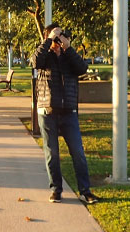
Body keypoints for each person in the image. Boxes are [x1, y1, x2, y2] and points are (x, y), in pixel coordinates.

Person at [31, 23, 100, 205]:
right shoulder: (44, 56)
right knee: (52, 154)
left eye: (61, 37)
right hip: (47, 111)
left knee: (78, 152)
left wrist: (68, 48)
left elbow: (82, 68)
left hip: (69, 111)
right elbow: (35, 62)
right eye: (56, 37)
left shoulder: (70, 56)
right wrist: (48, 41)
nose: (58, 40)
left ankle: (85, 191)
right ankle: (56, 190)